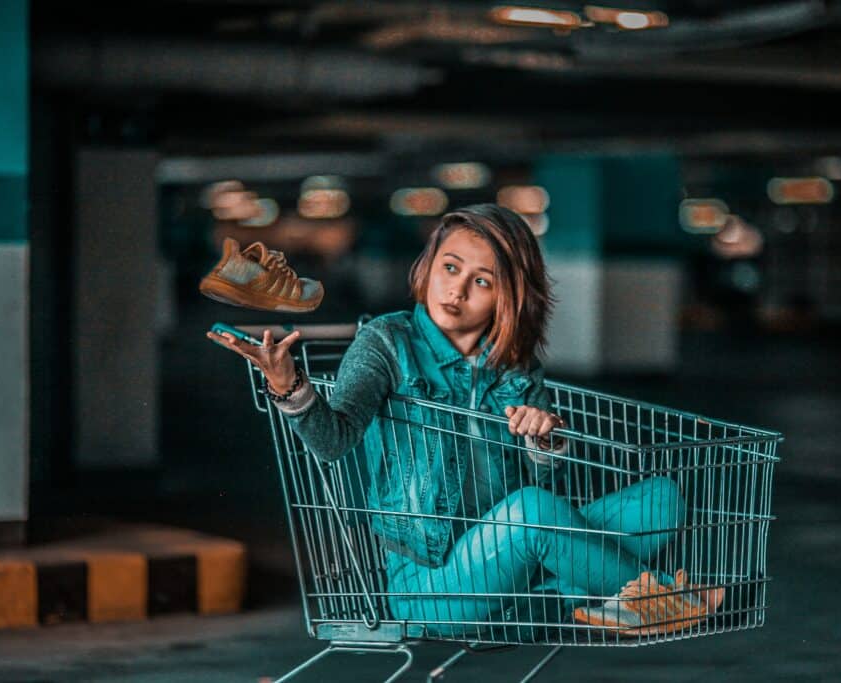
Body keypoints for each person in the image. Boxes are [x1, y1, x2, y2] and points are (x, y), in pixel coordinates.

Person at [207, 204, 721, 637]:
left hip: (513, 559)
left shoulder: (516, 366)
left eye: (481, 281)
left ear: (510, 297)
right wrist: (288, 386)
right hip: (433, 585)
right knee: (532, 513)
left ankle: (603, 592)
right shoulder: (386, 343)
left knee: (659, 499)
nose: (456, 291)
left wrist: (545, 441)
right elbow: (333, 441)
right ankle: (652, 599)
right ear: (429, 265)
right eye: (450, 268)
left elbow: (545, 480)